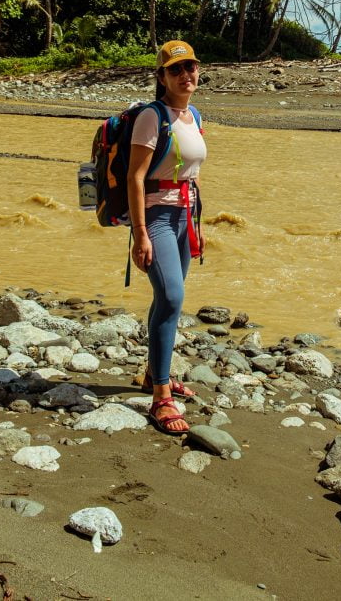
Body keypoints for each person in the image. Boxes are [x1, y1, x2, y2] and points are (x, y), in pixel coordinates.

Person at [127, 40, 206, 435]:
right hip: (156, 217)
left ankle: (152, 373)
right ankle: (160, 396)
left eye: (190, 66)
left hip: (185, 217)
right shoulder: (151, 116)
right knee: (172, 297)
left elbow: (192, 174)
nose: (185, 74)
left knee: (166, 300)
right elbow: (136, 177)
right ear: (161, 77)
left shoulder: (195, 115)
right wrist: (140, 234)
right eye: (175, 69)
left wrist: (197, 223)